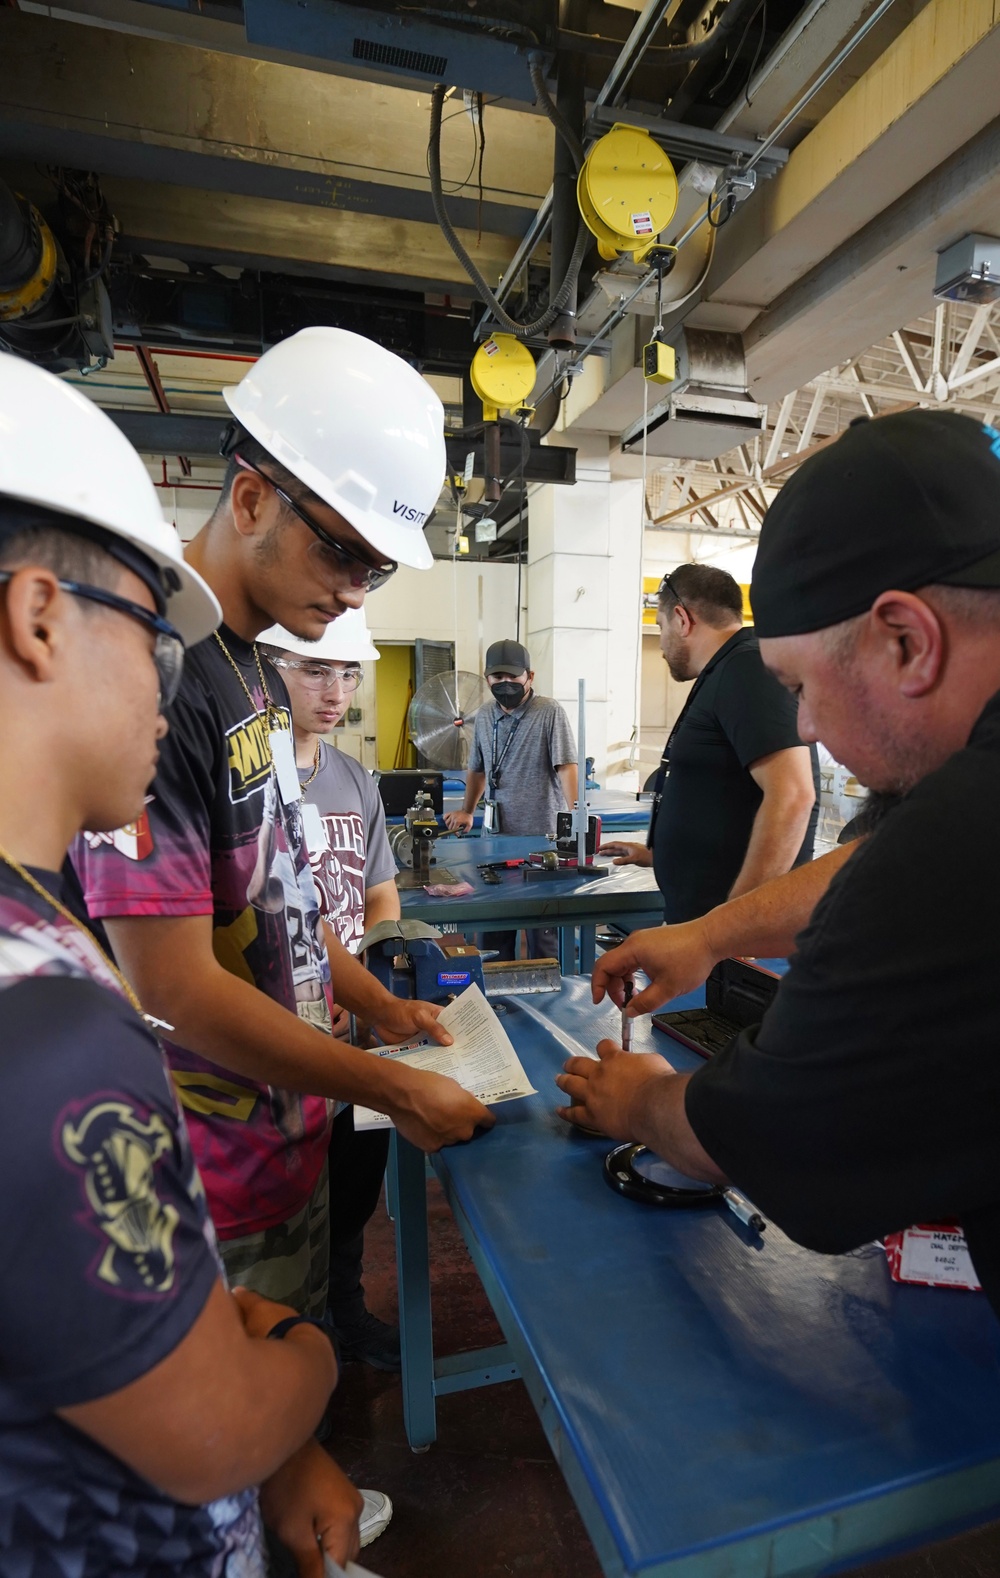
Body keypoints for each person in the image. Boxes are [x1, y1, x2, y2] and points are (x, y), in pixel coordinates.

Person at [0, 351, 366, 1575]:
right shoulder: (48, 1040)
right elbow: (206, 1434)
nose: (168, 691)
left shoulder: (34, 923)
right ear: (37, 616)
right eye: (151, 635)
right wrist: (299, 1353)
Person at [72, 327, 493, 1335]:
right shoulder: (155, 674)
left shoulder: (255, 671)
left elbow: (289, 902)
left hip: (285, 1129)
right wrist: (389, 1088)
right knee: (236, 1433)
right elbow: (171, 986)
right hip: (205, 1173)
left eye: (377, 568)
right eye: (342, 550)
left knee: (296, 1404)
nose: (354, 588)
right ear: (252, 496)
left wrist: (378, 1011)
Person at [557, 409, 1000, 1316]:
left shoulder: (959, 840)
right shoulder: (962, 815)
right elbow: (874, 862)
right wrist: (710, 936)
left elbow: (768, 1136)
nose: (802, 727)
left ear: (907, 641)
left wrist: (638, 1101)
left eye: (800, 688)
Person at [259, 609, 403, 1371]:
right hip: (279, 1023)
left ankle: (346, 1308)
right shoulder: (247, 778)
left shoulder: (353, 776)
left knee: (354, 1174)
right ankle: (299, 1332)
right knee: (287, 1190)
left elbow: (381, 894)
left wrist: (372, 976)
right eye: (315, 669)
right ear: (269, 665)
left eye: (349, 673)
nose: (335, 690)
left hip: (352, 1015)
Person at [600, 564, 818, 923]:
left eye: (660, 627)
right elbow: (726, 798)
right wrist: (661, 854)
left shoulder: (747, 669)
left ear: (682, 619)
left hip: (728, 940)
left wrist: (732, 923)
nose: (662, 647)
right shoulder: (725, 672)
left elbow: (794, 795)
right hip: (705, 928)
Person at [444, 638, 577, 959]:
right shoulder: (485, 715)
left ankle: (547, 1004)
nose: (505, 685)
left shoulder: (548, 712)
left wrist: (576, 817)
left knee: (543, 937)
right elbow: (477, 769)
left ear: (530, 677)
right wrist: (466, 810)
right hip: (496, 841)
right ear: (487, 678)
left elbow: (566, 767)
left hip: (541, 841)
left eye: (513, 678)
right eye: (497, 678)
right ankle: (494, 1003)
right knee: (493, 933)